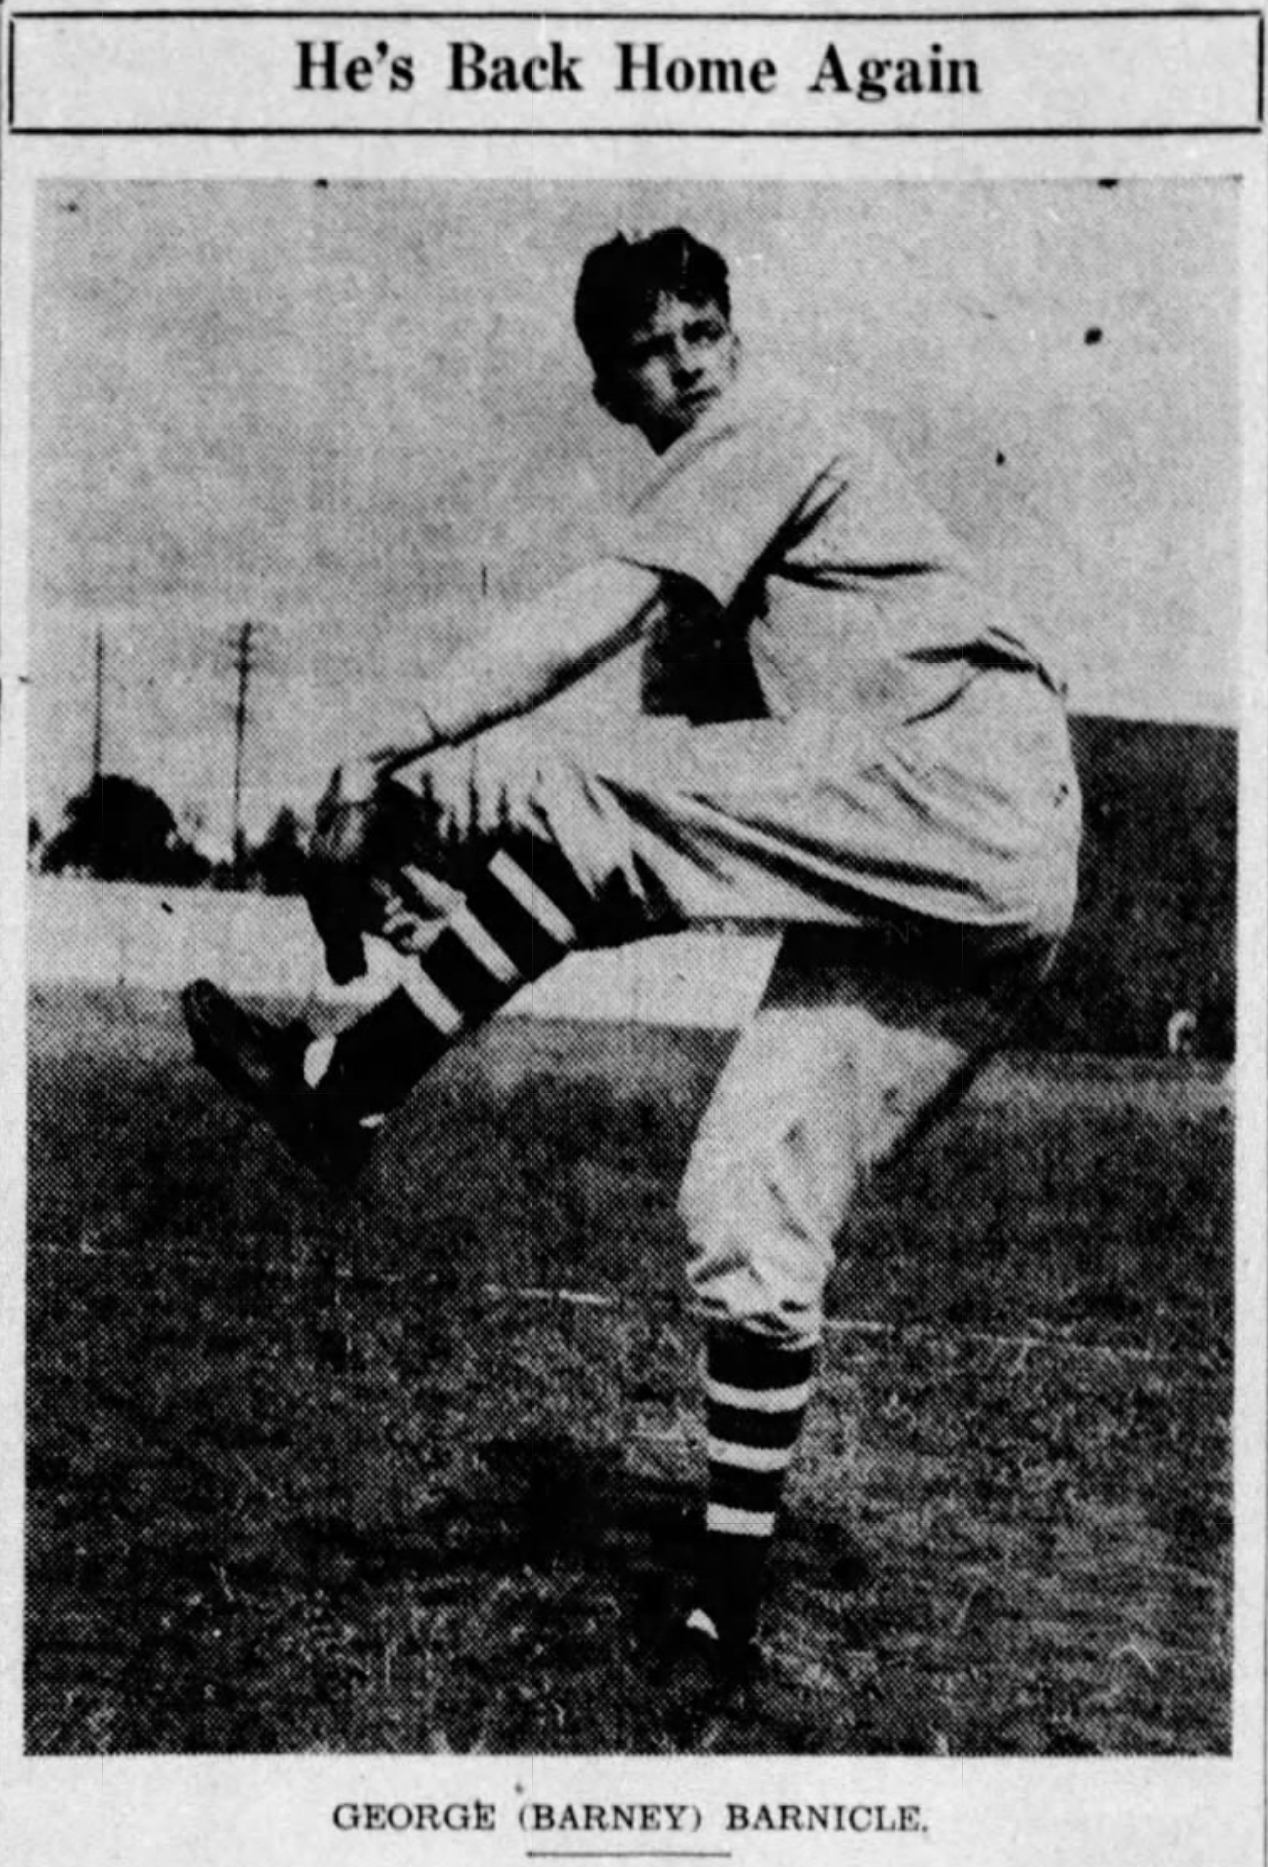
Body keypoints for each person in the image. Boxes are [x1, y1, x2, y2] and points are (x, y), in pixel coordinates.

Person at [183, 225, 1081, 1735]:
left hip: (970, 779)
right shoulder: (715, 571)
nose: (682, 369)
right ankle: (721, 1608)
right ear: (607, 391)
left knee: (599, 793)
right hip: (965, 876)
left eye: (700, 333)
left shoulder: (769, 427)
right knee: (746, 1202)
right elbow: (631, 849)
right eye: (649, 354)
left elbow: (583, 661)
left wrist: (390, 751)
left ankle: (353, 1086)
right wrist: (436, 886)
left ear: (734, 335)